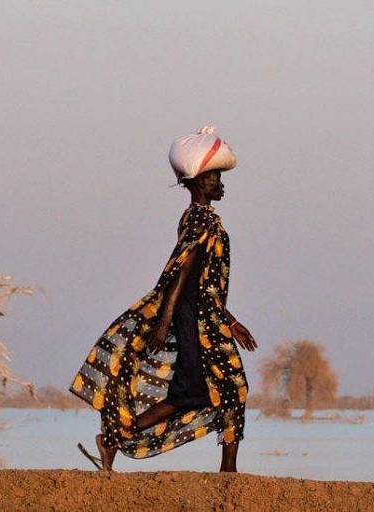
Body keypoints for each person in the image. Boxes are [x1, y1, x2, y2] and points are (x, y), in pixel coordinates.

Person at [69, 127, 257, 472]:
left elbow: (204, 283)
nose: (220, 183)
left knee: (195, 393)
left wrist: (231, 322)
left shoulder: (204, 219)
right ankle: (229, 472)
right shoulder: (200, 219)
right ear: (200, 182)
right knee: (231, 386)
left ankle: (113, 437)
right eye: (215, 177)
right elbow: (181, 274)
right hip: (197, 321)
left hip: (207, 317)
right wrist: (166, 321)